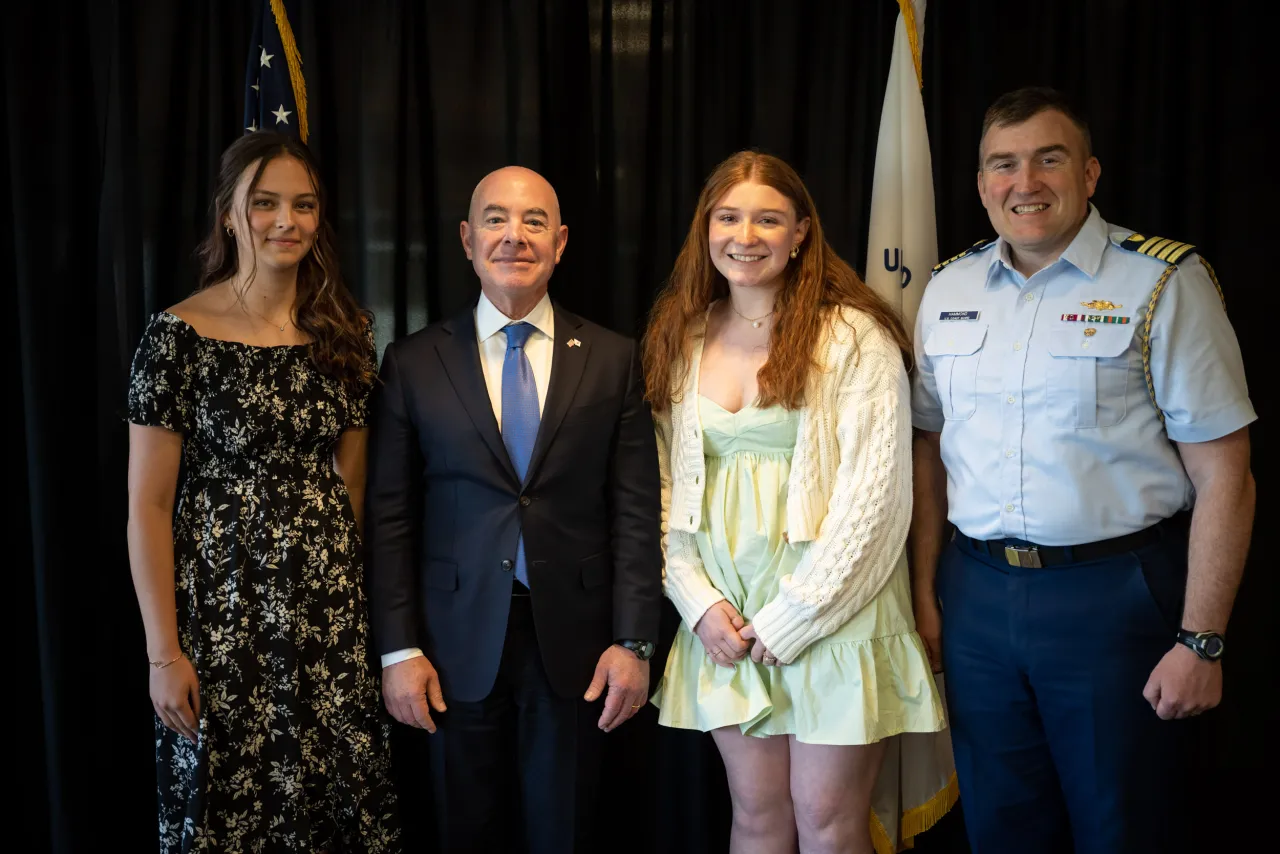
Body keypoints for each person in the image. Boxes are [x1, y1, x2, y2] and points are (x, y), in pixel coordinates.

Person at [910, 87, 1257, 854]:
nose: (1024, 181)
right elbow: (928, 450)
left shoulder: (1162, 282)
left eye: (1049, 158)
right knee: (1001, 827)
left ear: (1090, 173)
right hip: (977, 600)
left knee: (1121, 826)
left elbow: (1226, 472)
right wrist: (925, 594)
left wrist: (1202, 639)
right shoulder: (948, 289)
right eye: (1003, 164)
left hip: (1115, 602)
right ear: (979, 184)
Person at [645, 150, 947, 854]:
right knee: (755, 818)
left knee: (828, 821)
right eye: (729, 216)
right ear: (706, 228)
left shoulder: (854, 338)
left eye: (768, 218)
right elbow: (657, 490)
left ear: (801, 233)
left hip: (832, 612)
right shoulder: (681, 336)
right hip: (727, 618)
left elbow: (876, 501)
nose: (745, 235)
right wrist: (697, 602)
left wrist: (796, 616)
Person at [364, 166, 662, 853]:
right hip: (450, 647)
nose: (514, 236)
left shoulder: (615, 359)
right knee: (466, 831)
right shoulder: (412, 363)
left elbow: (636, 510)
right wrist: (399, 647)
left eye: (533, 222)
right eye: (496, 220)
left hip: (581, 650)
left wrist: (635, 640)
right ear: (468, 240)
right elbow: (389, 518)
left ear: (560, 242)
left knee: (567, 831)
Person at [126, 131, 399, 852]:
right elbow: (148, 507)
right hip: (221, 615)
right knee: (231, 809)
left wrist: (352, 609)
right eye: (265, 204)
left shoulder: (349, 331)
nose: (287, 221)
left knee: (334, 802)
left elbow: (356, 483)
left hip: (326, 619)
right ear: (229, 214)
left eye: (303, 205)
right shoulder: (175, 335)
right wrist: (164, 654)